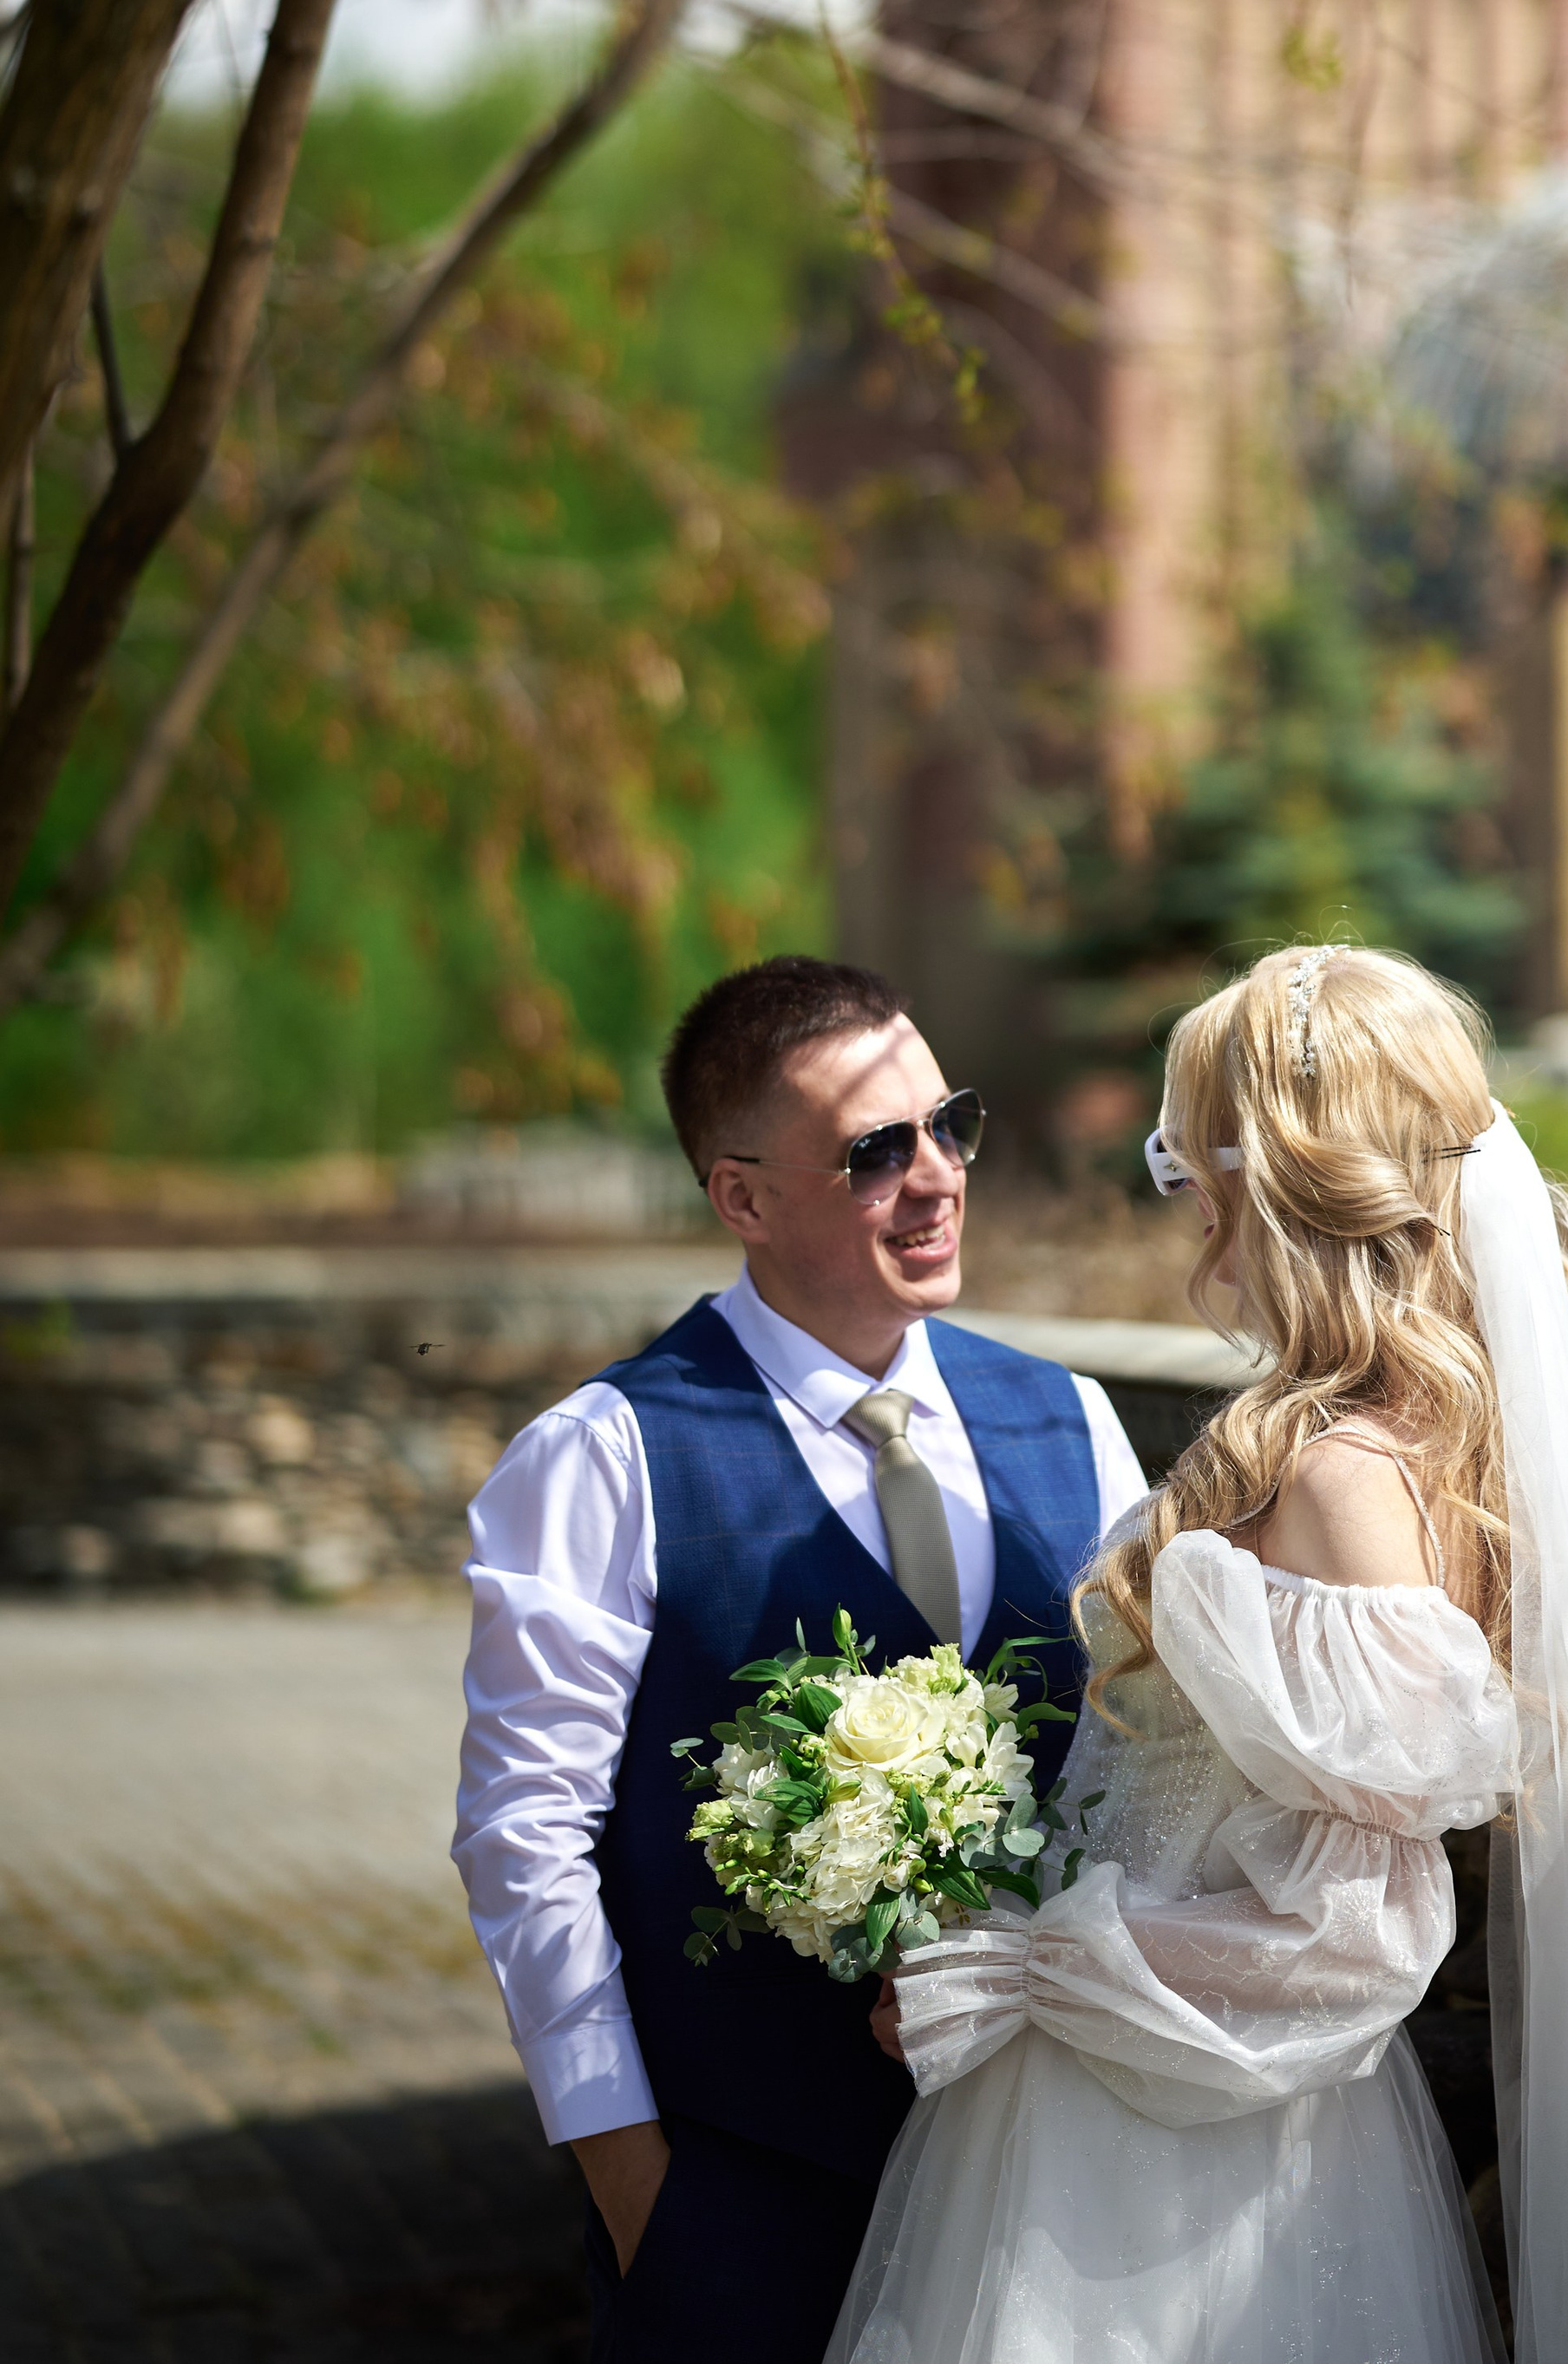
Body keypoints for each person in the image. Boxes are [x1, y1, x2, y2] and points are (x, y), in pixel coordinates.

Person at [830, 942, 1568, 2364]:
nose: (1182, 1196)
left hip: (1182, 2152)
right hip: (1129, 2088)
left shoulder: (1347, 1476)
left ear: (1280, 1180)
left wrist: (1026, 1970)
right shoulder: (1390, 1442)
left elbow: (1360, 1935)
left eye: (1191, 1154)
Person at [450, 955, 1148, 2363]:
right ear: (745, 1198)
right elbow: (525, 1841)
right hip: (747, 2201)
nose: (937, 1176)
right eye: (875, 1150)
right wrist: (640, 2194)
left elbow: (1141, 1771)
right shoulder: (604, 1456)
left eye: (950, 1123)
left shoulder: (1068, 1419)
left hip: (1051, 2189)